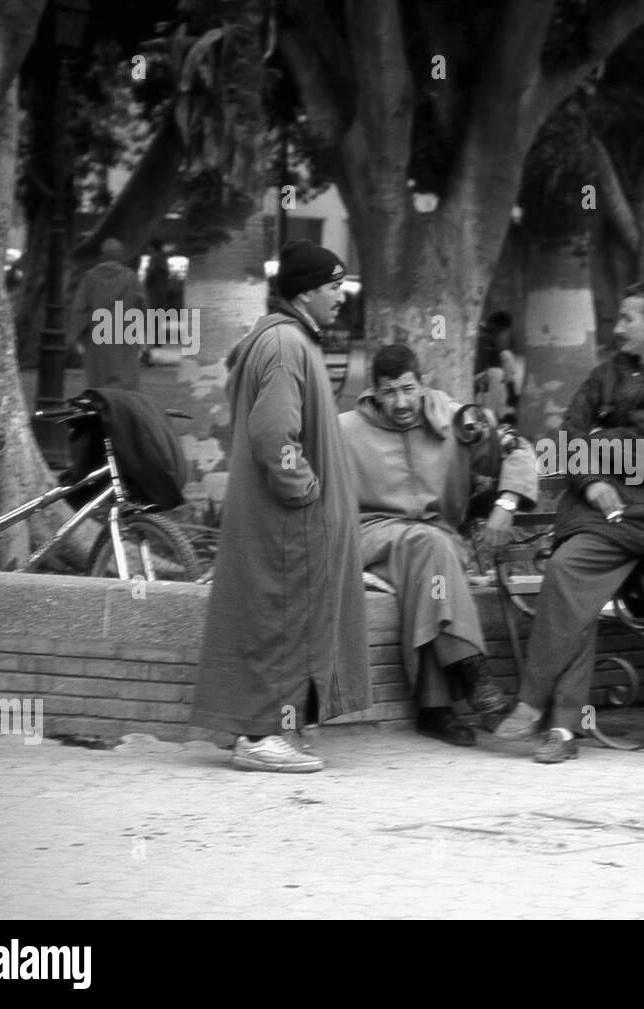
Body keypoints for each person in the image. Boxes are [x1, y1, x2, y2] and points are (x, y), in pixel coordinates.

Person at [493, 281, 644, 763]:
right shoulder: (605, 373)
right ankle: (562, 731)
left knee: (566, 573)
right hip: (591, 509)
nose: (616, 328)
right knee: (573, 585)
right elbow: (566, 439)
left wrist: (606, 431)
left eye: (626, 319)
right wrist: (595, 479)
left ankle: (534, 700)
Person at [189, 239, 368, 772]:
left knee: (281, 620)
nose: (341, 297)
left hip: (283, 520)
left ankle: (271, 731)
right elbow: (273, 434)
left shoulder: (286, 340)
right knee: (281, 622)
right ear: (307, 291)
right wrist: (305, 492)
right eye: (334, 287)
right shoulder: (288, 345)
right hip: (287, 520)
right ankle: (262, 736)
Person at [339, 343, 537, 747]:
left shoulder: (456, 419)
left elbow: (516, 447)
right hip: (371, 535)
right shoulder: (344, 431)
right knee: (428, 547)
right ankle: (476, 677)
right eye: (389, 392)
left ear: (423, 382)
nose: (400, 402)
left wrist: (506, 501)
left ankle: (435, 710)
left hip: (437, 542)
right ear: (372, 392)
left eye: (408, 389)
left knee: (430, 558)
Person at [69, 237, 148, 391]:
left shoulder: (91, 277)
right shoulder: (130, 277)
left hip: (97, 337)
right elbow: (142, 306)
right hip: (125, 335)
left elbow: (80, 308)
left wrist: (78, 337)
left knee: (99, 380)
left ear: (102, 255)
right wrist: (143, 338)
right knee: (125, 381)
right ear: (121, 255)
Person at [474, 310, 521, 422]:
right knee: (497, 374)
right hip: (477, 379)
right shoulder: (482, 336)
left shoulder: (491, 339)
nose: (501, 334)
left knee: (500, 371)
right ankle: (496, 416)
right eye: (502, 331)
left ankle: (499, 413)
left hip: (484, 382)